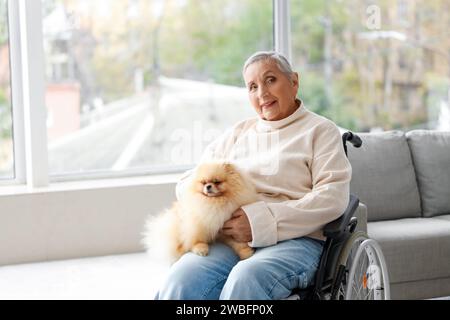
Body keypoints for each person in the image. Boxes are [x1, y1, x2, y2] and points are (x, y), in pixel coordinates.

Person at [154, 51, 352, 300]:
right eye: (252, 87)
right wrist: (215, 209)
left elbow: (332, 198)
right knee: (182, 279)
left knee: (246, 279)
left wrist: (259, 222)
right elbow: (189, 182)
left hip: (296, 240)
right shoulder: (239, 132)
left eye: (271, 80)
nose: (262, 94)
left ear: (294, 82)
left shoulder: (320, 131)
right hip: (231, 240)